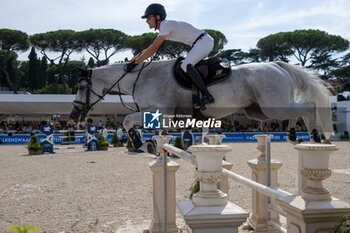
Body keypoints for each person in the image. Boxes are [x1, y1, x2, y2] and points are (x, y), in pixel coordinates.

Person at [124, 3, 215, 108]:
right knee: (185, 65)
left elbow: (154, 48)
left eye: (149, 17)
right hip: (200, 42)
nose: (146, 21)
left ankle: (206, 95)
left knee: (185, 65)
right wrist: (133, 60)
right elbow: (150, 48)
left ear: (157, 17)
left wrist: (136, 63)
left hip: (203, 42)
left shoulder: (166, 25)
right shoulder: (165, 27)